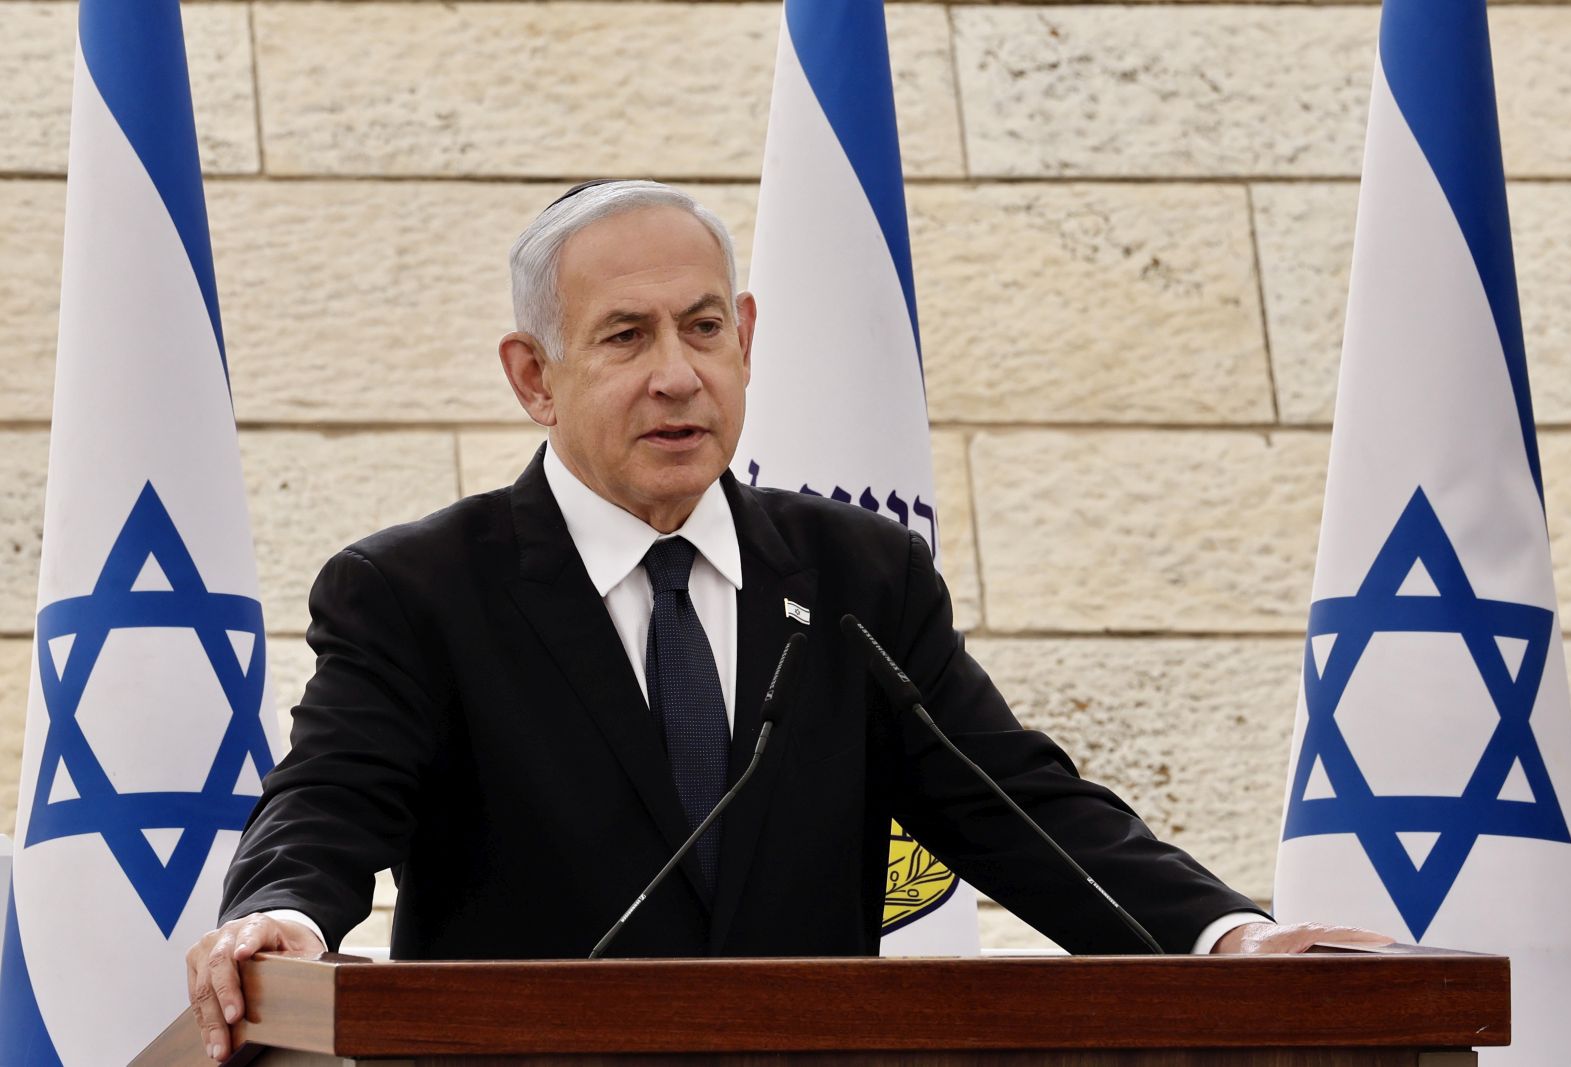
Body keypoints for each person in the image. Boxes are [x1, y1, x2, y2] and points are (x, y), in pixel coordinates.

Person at [185, 181, 1385, 1062]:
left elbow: (1019, 804)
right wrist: (280, 913)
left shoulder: (857, 576)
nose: (678, 374)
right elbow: (330, 792)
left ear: (746, 339)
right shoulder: (418, 591)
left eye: (704, 327)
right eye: (624, 337)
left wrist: (1223, 935)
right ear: (532, 376)